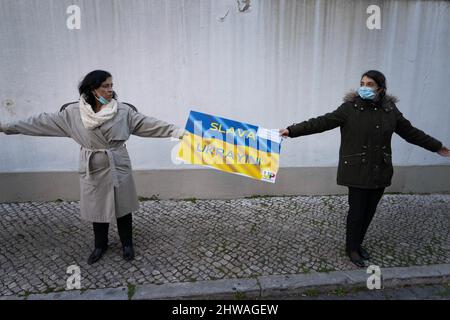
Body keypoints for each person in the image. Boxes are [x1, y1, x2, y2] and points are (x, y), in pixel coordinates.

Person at [0, 70, 186, 265]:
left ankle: (127, 244)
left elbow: (150, 124)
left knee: (123, 206)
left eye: (111, 85)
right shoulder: (72, 113)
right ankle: (100, 245)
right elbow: (40, 122)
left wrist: (179, 132)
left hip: (117, 162)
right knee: (97, 207)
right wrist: (6, 127)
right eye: (105, 86)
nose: (110, 90)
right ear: (92, 89)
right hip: (92, 166)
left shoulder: (123, 111)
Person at [279, 70, 450, 268]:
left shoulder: (390, 110)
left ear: (381, 88)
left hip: (380, 170)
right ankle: (351, 248)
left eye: (370, 84)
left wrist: (437, 146)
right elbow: (321, 122)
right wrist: (292, 131)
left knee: (369, 211)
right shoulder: (349, 109)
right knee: (357, 212)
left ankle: (358, 244)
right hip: (357, 170)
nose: (364, 87)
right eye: (362, 83)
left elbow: (410, 132)